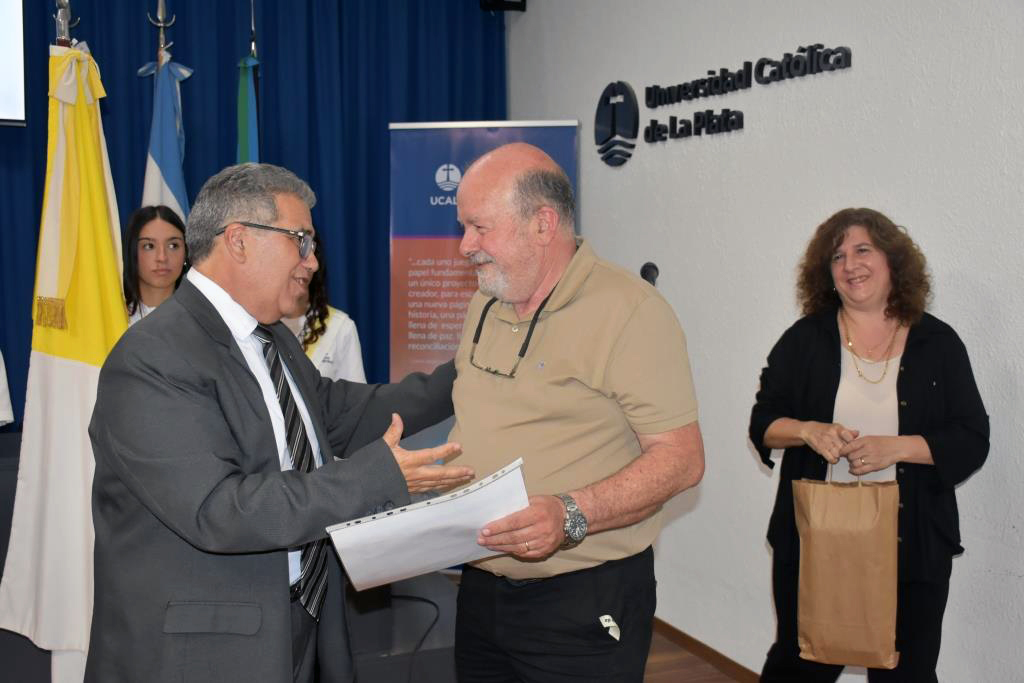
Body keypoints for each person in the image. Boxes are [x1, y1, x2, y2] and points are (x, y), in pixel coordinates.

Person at [86, 162, 474, 683]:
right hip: (204, 656)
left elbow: (342, 413)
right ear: (239, 240)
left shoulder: (273, 339)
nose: (313, 262)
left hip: (301, 627)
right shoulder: (153, 358)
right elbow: (220, 510)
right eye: (301, 241)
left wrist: (466, 373)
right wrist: (379, 474)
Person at [449, 142, 706, 682]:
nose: (465, 246)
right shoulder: (486, 300)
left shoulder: (631, 312)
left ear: (543, 224)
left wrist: (569, 513)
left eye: (479, 227)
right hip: (479, 588)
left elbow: (681, 460)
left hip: (581, 597)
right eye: (463, 227)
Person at [749, 208, 989, 682]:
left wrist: (897, 448)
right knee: (799, 667)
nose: (850, 264)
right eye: (837, 256)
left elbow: (972, 438)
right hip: (815, 542)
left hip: (914, 544)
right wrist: (807, 431)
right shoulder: (805, 340)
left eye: (863, 250)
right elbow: (763, 421)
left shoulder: (938, 342)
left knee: (908, 673)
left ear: (892, 261)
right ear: (827, 272)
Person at [282, 238, 366, 382]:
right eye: (299, 253)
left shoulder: (340, 327)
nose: (310, 265)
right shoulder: (254, 321)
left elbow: (356, 400)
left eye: (312, 253)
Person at [122, 205, 188, 325]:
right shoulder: (111, 319)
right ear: (131, 252)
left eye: (173, 245)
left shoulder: (202, 319)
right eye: (149, 246)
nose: (162, 258)